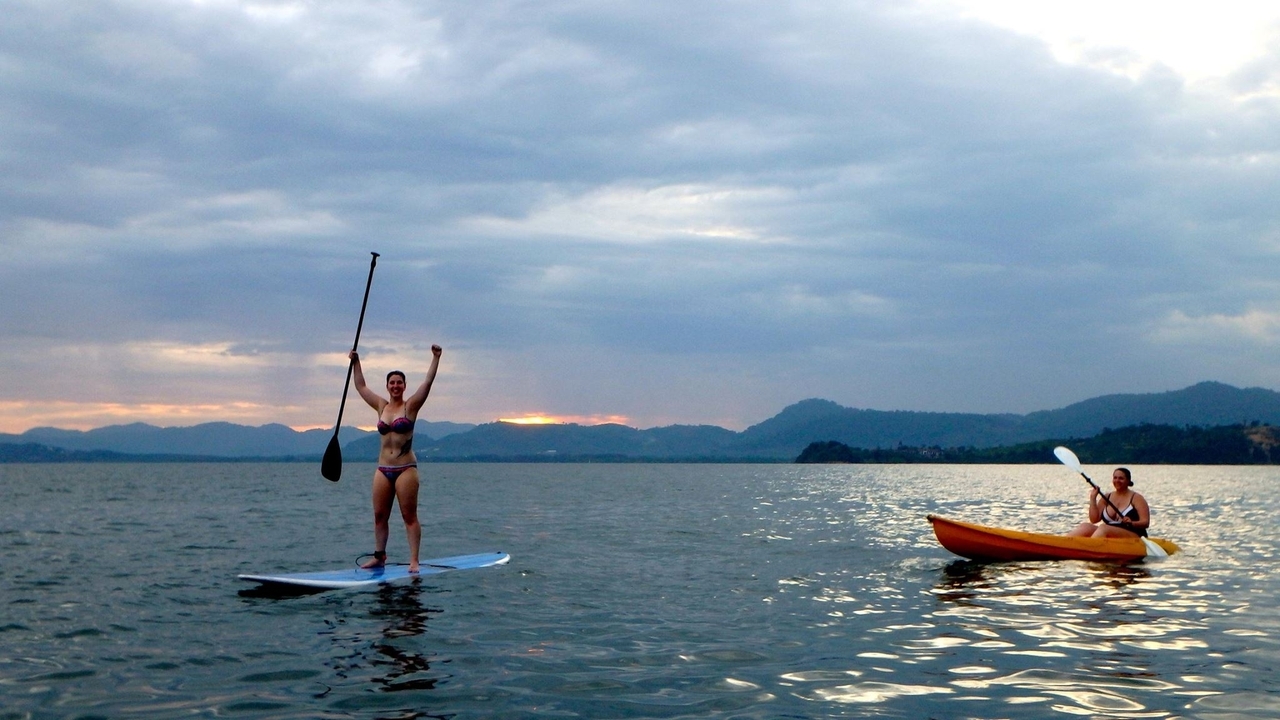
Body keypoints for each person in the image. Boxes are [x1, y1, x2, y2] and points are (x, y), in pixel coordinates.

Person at [349, 345, 442, 572]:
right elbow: (361, 386)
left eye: (399, 382)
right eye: (392, 382)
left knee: (409, 516)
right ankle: (380, 557)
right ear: (388, 386)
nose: (396, 386)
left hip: (405, 469)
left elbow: (427, 384)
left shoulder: (411, 406)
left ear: (404, 385)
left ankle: (414, 560)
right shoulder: (381, 406)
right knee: (380, 516)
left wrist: (435, 358)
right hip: (383, 469)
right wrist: (356, 362)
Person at [1066, 467, 1151, 538]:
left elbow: (1145, 522)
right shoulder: (1106, 497)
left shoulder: (1137, 498)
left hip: (1134, 535)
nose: (1117, 480)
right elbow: (1094, 519)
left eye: (1121, 478)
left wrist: (1132, 523)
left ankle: (1090, 547)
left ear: (1128, 481)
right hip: (1111, 533)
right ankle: (1064, 543)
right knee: (1085, 526)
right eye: (1115, 478)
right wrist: (1093, 498)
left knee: (1103, 528)